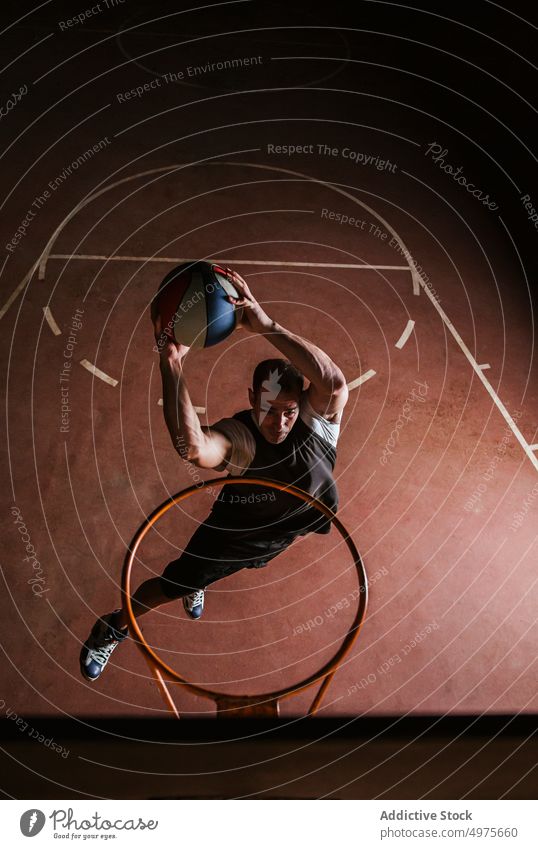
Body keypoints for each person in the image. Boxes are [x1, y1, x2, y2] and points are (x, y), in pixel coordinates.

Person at [80, 270, 349, 681]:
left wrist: (265, 325)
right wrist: (170, 360)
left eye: (289, 411)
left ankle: (193, 585)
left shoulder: (318, 421)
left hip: (280, 537)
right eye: (268, 408)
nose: (279, 422)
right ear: (250, 399)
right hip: (229, 537)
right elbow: (193, 447)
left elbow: (332, 381)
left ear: (303, 405)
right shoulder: (241, 438)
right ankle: (113, 625)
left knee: (247, 561)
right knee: (166, 589)